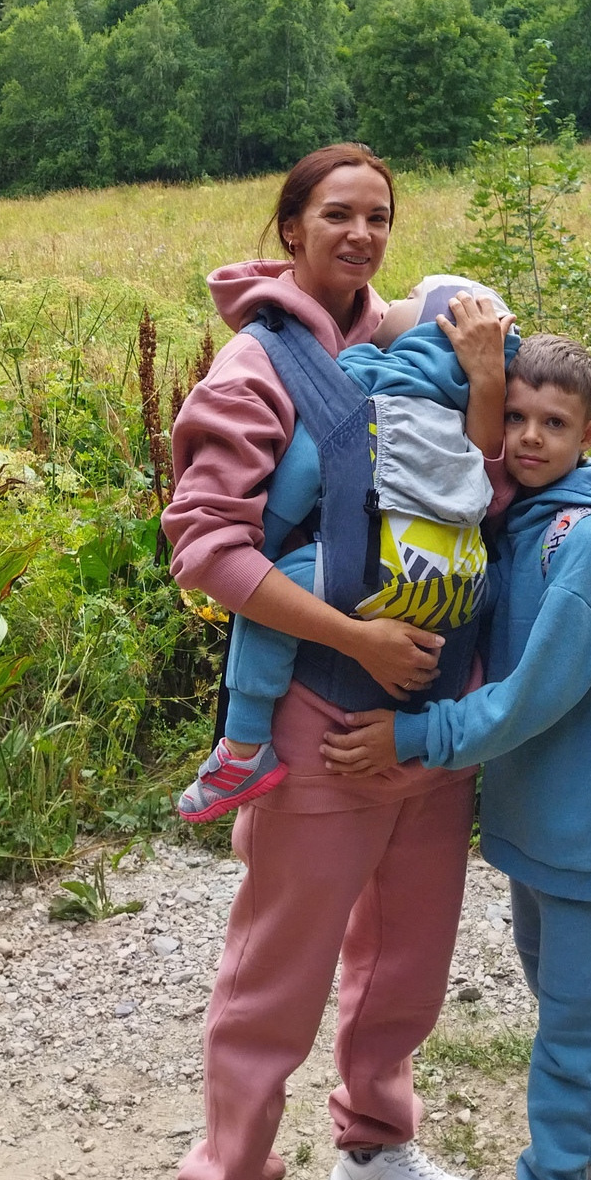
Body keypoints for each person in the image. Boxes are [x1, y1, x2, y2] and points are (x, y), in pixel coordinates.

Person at [163, 145, 496, 1180]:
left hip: (428, 715)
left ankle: (375, 1154)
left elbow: (477, 488)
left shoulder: (410, 343)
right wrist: (357, 641)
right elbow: (208, 547)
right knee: (280, 971)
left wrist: (486, 373)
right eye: (339, 214)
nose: (361, 234)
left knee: (406, 954)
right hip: (318, 711)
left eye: (380, 216)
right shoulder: (254, 368)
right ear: (291, 226)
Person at [321, 334, 591, 1180]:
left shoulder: (584, 545)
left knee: (569, 1036)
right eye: (514, 416)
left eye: (554, 422)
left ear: (590, 434)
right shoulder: (518, 522)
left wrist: (412, 736)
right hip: (534, 829)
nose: (528, 437)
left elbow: (521, 704)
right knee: (570, 1018)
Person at [177, 273, 516, 823]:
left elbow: (317, 462)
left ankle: (242, 748)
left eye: (410, 297)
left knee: (273, 596)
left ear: (436, 328)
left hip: (382, 570)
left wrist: (272, 529)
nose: (393, 299)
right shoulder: (464, 410)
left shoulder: (369, 383)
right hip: (458, 584)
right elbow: (489, 496)